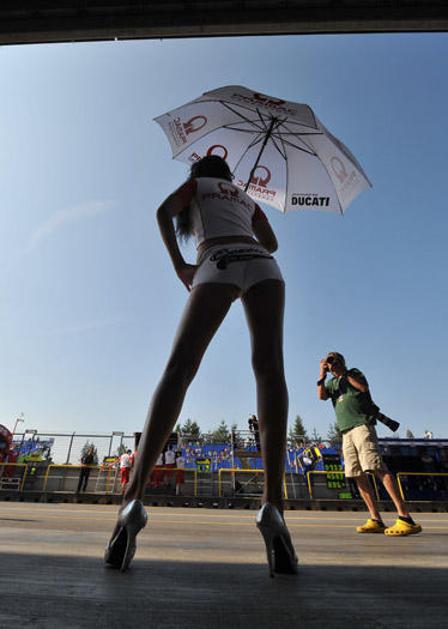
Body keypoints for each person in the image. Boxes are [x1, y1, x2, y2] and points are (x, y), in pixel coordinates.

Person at [105, 155, 297, 575]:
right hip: (263, 265)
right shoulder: (247, 197)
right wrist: (241, 212)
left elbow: (162, 211)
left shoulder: (197, 188)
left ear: (197, 172)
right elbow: (272, 243)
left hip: (216, 260)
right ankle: (274, 508)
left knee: (180, 370)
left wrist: (179, 263)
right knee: (270, 370)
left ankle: (133, 499)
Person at [317, 351, 422, 536]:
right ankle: (375, 519)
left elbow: (363, 388)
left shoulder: (353, 373)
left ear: (342, 362)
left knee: (377, 467)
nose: (332, 363)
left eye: (335, 360)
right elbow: (321, 396)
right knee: (356, 474)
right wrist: (322, 374)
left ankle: (405, 517)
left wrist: (343, 373)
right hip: (346, 431)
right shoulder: (332, 383)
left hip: (362, 426)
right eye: (329, 361)